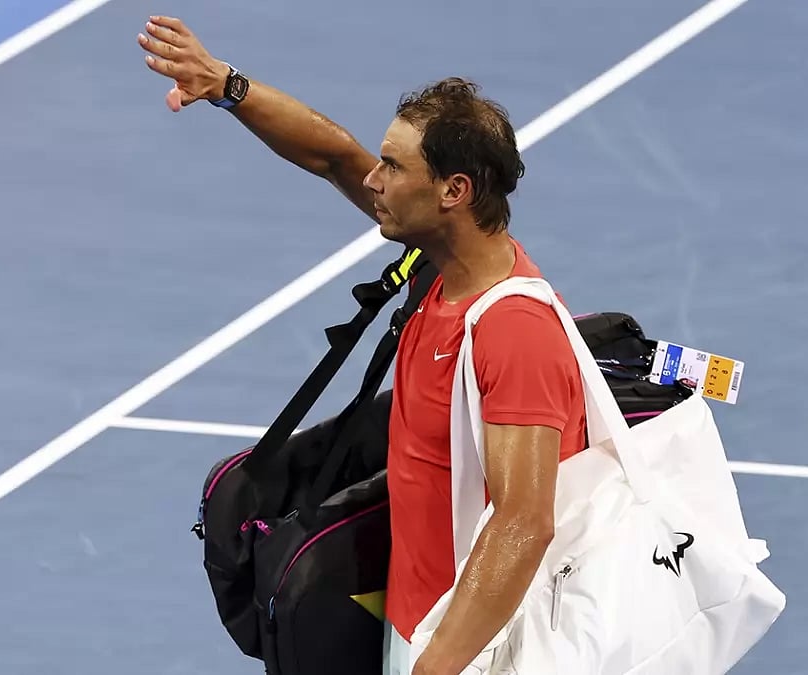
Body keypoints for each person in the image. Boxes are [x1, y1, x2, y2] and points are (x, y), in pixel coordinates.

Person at [137, 16, 587, 675]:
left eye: (396, 167)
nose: (374, 180)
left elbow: (523, 523)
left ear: (452, 191)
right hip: (417, 626)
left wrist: (437, 665)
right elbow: (334, 157)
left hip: (477, 650)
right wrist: (227, 86)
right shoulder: (441, 269)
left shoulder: (513, 331)